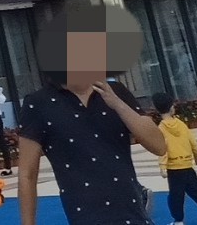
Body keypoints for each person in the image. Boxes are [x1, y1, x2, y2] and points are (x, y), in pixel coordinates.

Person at [17, 15, 166, 225]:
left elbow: (159, 146)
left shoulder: (115, 92)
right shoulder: (38, 103)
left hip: (134, 215)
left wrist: (118, 104)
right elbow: (27, 173)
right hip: (85, 216)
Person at [152, 93, 197, 225]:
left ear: (157, 109)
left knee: (176, 195)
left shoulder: (161, 128)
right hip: (187, 165)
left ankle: (178, 220)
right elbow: (192, 142)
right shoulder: (181, 124)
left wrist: (162, 166)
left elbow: (163, 149)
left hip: (174, 168)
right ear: (171, 107)